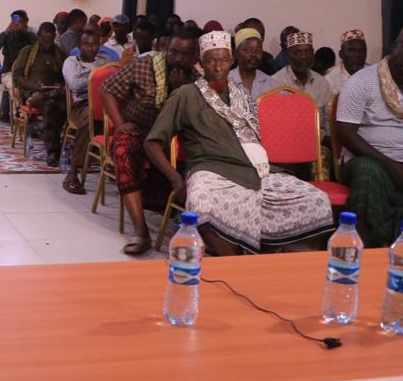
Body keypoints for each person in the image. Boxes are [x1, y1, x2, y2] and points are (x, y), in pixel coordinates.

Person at [144, 31, 333, 255]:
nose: (217, 66)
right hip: (210, 170)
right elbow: (152, 142)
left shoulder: (242, 95)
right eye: (211, 60)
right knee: (202, 205)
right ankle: (235, 265)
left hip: (256, 169)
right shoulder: (185, 94)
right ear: (201, 63)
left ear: (231, 60)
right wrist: (175, 178)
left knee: (317, 200)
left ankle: (273, 260)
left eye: (223, 59)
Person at [101, 29, 200, 254]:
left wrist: (179, 90)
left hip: (171, 139)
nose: (177, 58)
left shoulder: (196, 80)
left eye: (184, 54)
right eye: (173, 52)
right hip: (139, 131)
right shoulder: (143, 66)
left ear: (194, 57)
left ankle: (191, 223)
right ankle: (141, 232)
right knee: (123, 147)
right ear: (165, 49)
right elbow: (106, 89)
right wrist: (118, 124)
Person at [336, 24, 403, 246]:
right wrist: (390, 164)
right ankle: (368, 249)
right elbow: (344, 132)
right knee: (368, 172)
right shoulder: (362, 81)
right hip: (371, 158)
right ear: (394, 46)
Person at [61, 29, 111, 194]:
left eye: (94, 44)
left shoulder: (105, 60)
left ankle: (116, 164)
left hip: (105, 102)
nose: (90, 48)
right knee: (89, 120)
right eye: (86, 44)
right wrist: (98, 74)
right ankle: (73, 171)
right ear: (79, 46)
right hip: (82, 103)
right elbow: (75, 85)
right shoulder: (71, 62)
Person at [13, 22, 67, 167]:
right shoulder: (28, 51)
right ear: (38, 37)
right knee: (51, 104)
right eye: (44, 41)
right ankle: (52, 151)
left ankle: (51, 138)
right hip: (33, 92)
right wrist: (34, 86)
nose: (47, 44)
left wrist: (59, 85)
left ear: (54, 37)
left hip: (52, 93)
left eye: (50, 41)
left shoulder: (59, 53)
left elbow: (66, 75)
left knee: (56, 104)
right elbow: (16, 77)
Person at [274, 31, 333, 126]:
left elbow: (328, 120)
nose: (303, 56)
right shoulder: (276, 82)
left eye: (307, 52)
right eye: (297, 52)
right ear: (288, 55)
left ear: (313, 54)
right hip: (289, 137)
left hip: (319, 138)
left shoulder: (321, 82)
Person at [0, 10, 36, 123]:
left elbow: (37, 49)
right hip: (8, 73)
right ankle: (18, 116)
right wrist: (6, 32)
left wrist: (25, 32)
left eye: (19, 22)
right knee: (15, 85)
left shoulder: (30, 36)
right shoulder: (6, 36)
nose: (16, 25)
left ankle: (31, 116)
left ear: (26, 21)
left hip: (26, 74)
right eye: (14, 22)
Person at [228, 27, 280, 99]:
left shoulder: (273, 85)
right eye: (247, 50)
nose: (253, 54)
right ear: (236, 53)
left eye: (258, 50)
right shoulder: (225, 82)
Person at [328, 29, 368, 94]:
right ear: (341, 54)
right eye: (352, 50)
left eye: (362, 50)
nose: (358, 54)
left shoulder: (375, 74)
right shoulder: (330, 80)